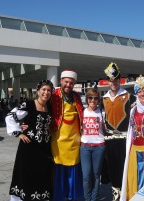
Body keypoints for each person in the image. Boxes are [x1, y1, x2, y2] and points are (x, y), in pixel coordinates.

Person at [100, 62, 144, 201]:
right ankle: (116, 195)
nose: (114, 83)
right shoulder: (103, 99)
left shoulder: (129, 97)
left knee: (125, 171)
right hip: (110, 141)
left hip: (125, 141)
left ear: (119, 80)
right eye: (111, 80)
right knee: (112, 170)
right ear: (108, 82)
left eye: (116, 80)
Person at [5, 80, 54, 201]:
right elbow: (10, 116)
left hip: (44, 149)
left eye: (48, 90)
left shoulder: (50, 106)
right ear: (38, 91)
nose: (46, 92)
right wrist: (19, 133)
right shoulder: (28, 104)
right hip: (28, 148)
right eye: (43, 89)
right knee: (26, 176)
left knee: (42, 176)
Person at [50, 70, 84, 201]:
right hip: (58, 141)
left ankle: (71, 197)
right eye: (66, 82)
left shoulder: (77, 96)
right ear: (61, 81)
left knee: (73, 171)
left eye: (71, 82)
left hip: (74, 141)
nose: (68, 85)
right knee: (59, 171)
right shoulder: (53, 96)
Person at [80, 88, 106, 201]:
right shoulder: (82, 112)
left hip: (99, 147)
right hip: (85, 147)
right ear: (87, 99)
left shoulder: (102, 112)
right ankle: (87, 198)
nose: (93, 100)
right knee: (86, 176)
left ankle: (94, 198)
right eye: (90, 97)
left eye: (95, 98)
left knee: (96, 175)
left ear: (98, 100)